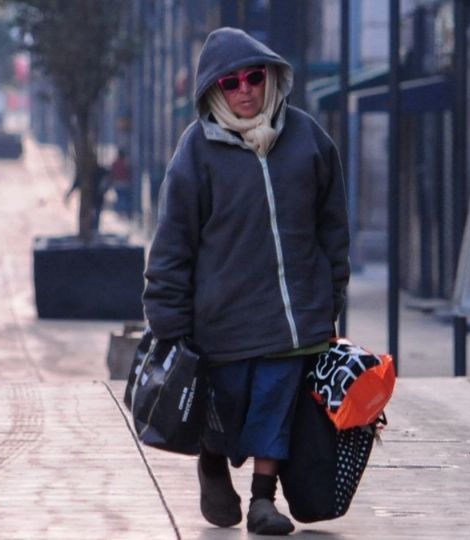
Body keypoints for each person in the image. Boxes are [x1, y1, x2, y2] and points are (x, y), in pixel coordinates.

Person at [142, 28, 349, 536]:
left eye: (254, 77)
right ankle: (212, 461)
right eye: (230, 82)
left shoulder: (308, 140)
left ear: (271, 78)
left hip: (292, 319)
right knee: (227, 408)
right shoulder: (196, 152)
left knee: (276, 406)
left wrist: (330, 295)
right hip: (223, 321)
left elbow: (333, 228)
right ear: (215, 91)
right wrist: (167, 318)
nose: (245, 90)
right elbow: (173, 241)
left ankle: (263, 499)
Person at [64, 162, 109, 230]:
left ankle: (94, 230)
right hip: (89, 198)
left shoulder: (99, 171)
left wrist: (104, 188)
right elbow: (77, 183)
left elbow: (109, 178)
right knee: (91, 215)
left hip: (95, 198)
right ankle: (91, 230)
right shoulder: (84, 172)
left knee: (95, 215)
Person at [108, 149, 131, 217]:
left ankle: (119, 212)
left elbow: (112, 174)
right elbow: (128, 173)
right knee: (124, 198)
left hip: (117, 183)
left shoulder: (115, 163)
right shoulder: (126, 163)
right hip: (125, 183)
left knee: (119, 198)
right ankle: (124, 212)